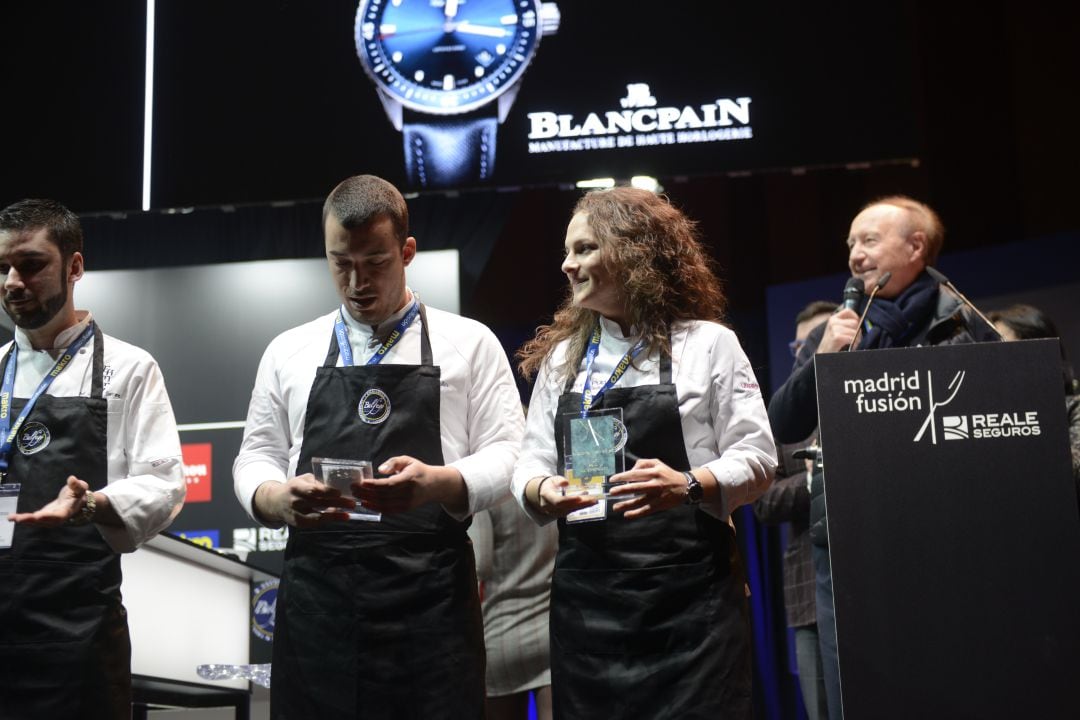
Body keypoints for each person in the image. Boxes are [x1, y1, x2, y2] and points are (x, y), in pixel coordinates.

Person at [232, 174, 525, 718]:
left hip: (430, 602)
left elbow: (511, 451)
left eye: (375, 262)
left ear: (407, 252)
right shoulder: (289, 350)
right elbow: (256, 455)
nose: (356, 282)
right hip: (317, 603)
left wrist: (440, 482)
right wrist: (275, 498)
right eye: (341, 263)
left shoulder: (470, 342)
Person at [512, 187, 777, 719]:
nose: (568, 264)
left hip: (689, 604)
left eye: (584, 249)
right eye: (567, 251)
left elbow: (759, 457)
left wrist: (687, 484)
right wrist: (541, 489)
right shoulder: (566, 358)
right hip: (588, 606)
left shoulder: (708, 344)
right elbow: (531, 459)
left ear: (634, 251)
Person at [767, 195, 999, 720]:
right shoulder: (842, 328)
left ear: (916, 246)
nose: (854, 255)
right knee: (858, 697)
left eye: (868, 240)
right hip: (845, 545)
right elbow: (782, 424)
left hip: (939, 543)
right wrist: (823, 358)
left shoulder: (962, 324)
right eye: (850, 243)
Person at [0, 199, 185, 718]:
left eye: (31, 265)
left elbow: (165, 483)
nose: (13, 281)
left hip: (78, 630)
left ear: (75, 267)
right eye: (3, 268)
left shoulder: (129, 369)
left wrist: (91, 503)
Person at [753, 300, 836, 720]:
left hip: (872, 584)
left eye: (819, 339)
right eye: (800, 345)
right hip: (808, 593)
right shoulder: (786, 416)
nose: (808, 351)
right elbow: (764, 501)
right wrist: (815, 477)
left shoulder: (862, 397)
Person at [468, 490, 557, 720]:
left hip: (502, 637)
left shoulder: (487, 485)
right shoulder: (548, 477)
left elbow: (480, 563)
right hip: (551, 631)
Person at [988, 303, 1080, 507]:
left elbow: (1072, 472)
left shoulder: (1074, 406)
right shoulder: (987, 415)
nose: (993, 362)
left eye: (1004, 350)